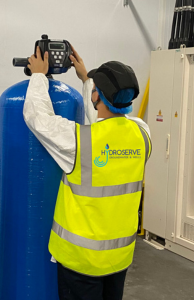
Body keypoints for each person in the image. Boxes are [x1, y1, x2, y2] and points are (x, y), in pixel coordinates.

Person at [23, 46, 151, 300]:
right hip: (118, 258)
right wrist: (87, 80)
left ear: (98, 96)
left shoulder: (78, 142)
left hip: (81, 262)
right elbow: (108, 121)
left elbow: (39, 118)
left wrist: (38, 76)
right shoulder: (142, 135)